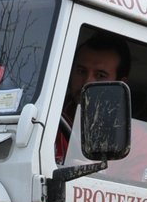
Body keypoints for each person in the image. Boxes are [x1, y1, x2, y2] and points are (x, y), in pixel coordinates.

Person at [55, 30, 131, 162]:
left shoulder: (140, 141)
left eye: (100, 75)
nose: (86, 82)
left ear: (120, 84)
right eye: (81, 71)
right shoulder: (48, 115)